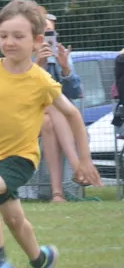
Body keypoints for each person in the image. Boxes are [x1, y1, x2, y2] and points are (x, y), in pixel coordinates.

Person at [0, 0, 101, 268]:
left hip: (20, 158)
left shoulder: (41, 80)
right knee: (15, 220)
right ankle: (41, 259)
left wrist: (83, 161)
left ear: (36, 41)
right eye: (4, 36)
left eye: (18, 36)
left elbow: (72, 114)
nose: (9, 42)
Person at [33, 11, 84, 202]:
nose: (48, 38)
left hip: (49, 119)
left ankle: (57, 193)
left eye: (51, 33)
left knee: (48, 121)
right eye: (44, 33)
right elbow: (21, 92)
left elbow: (75, 93)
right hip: (24, 115)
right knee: (52, 106)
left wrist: (66, 70)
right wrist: (38, 64)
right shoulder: (22, 53)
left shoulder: (59, 55)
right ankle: (77, 166)